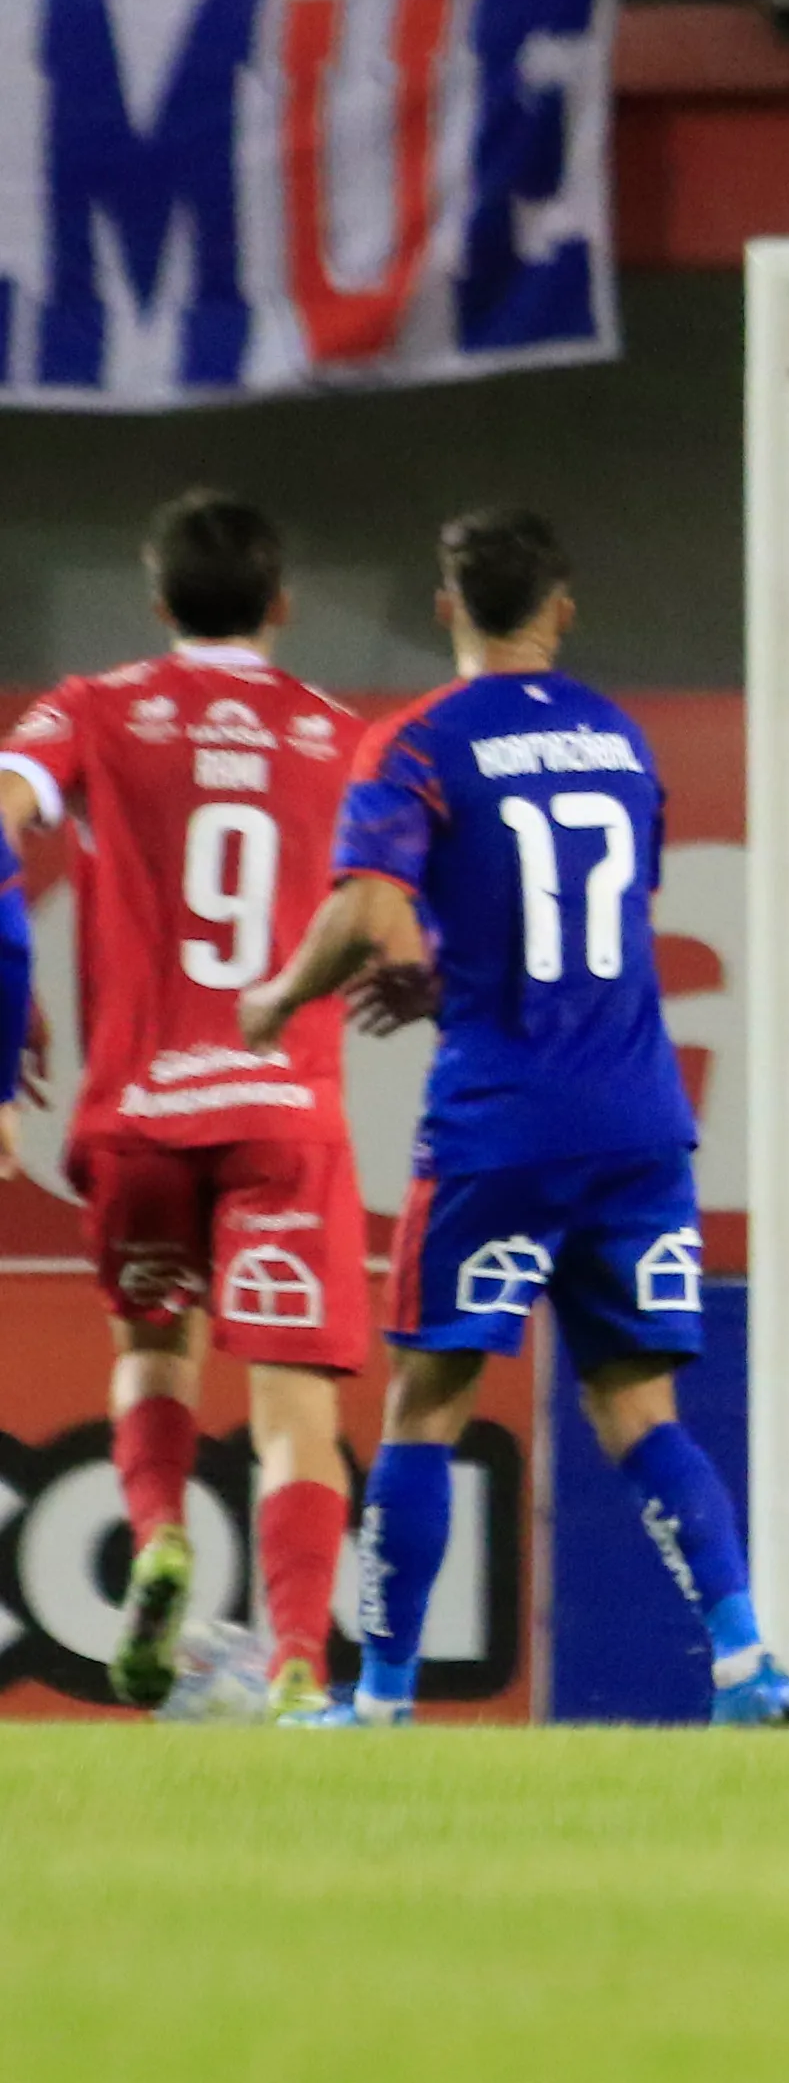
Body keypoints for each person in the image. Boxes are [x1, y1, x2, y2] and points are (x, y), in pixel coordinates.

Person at [242, 510, 789, 1727]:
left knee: (424, 1405)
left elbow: (364, 902)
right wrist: (463, 966)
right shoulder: (616, 736)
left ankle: (382, 1698)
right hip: (639, 1119)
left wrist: (279, 996)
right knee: (641, 1408)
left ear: (448, 606)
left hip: (499, 1126)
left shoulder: (420, 744)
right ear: (564, 604)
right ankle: (746, 1659)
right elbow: (591, 925)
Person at [0, 494, 374, 1722]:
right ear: (281, 604)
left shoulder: (91, 709)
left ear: (156, 603)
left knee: (154, 1350)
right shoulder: (337, 732)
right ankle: (299, 1657)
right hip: (282, 1113)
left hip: (142, 1110)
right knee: (292, 1406)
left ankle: (159, 1535)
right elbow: (385, 909)